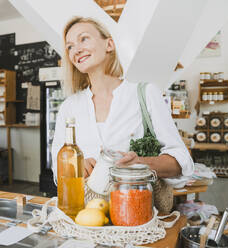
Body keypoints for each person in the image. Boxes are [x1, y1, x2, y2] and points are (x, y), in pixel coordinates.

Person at [51, 16, 193, 186]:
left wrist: (140, 164)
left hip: (135, 207)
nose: (76, 50)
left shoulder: (145, 93)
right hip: (86, 211)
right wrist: (74, 167)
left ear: (109, 45)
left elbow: (181, 161)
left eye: (84, 39)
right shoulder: (70, 107)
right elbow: (57, 170)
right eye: (70, 47)